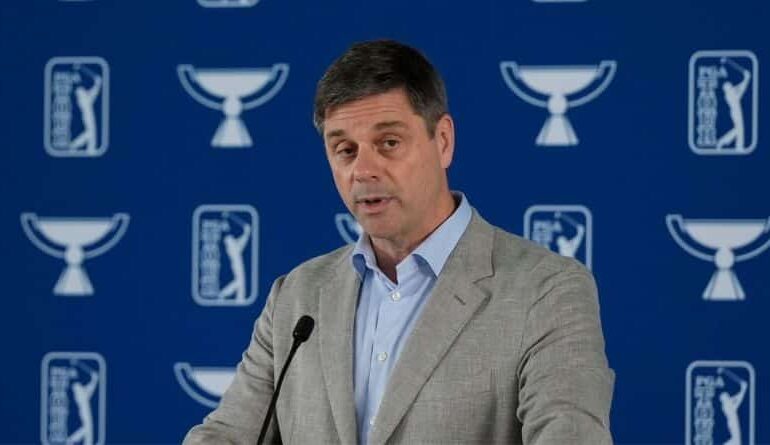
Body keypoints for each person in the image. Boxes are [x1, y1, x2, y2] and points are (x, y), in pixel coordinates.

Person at [184, 39, 614, 444]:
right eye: (345, 150)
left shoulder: (547, 290)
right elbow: (227, 434)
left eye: (388, 143)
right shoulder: (298, 296)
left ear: (442, 141)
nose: (364, 170)